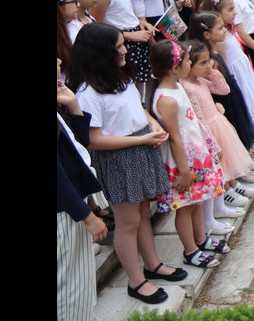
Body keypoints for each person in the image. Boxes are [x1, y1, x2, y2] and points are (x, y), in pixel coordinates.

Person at [67, 23, 182, 305]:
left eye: (122, 44)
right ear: (98, 53)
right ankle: (135, 281)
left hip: (140, 147)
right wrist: (142, 140)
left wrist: (152, 125)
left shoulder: (120, 77)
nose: (124, 50)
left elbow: (138, 108)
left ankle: (152, 264)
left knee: (143, 211)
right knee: (128, 221)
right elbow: (94, 141)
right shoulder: (87, 93)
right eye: (118, 46)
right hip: (119, 159)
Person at [149, 41, 228, 269]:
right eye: (186, 61)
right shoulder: (167, 99)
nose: (189, 64)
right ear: (175, 67)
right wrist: (184, 171)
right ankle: (190, 250)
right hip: (183, 160)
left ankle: (200, 239)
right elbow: (174, 137)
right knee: (184, 206)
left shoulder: (177, 86)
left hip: (196, 154)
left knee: (197, 201)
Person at [57, 56, 107, 321]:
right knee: (71, 294)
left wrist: (74, 106)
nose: (59, 60)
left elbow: (80, 144)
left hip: (69, 210)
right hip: (63, 214)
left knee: (78, 289)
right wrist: (87, 216)